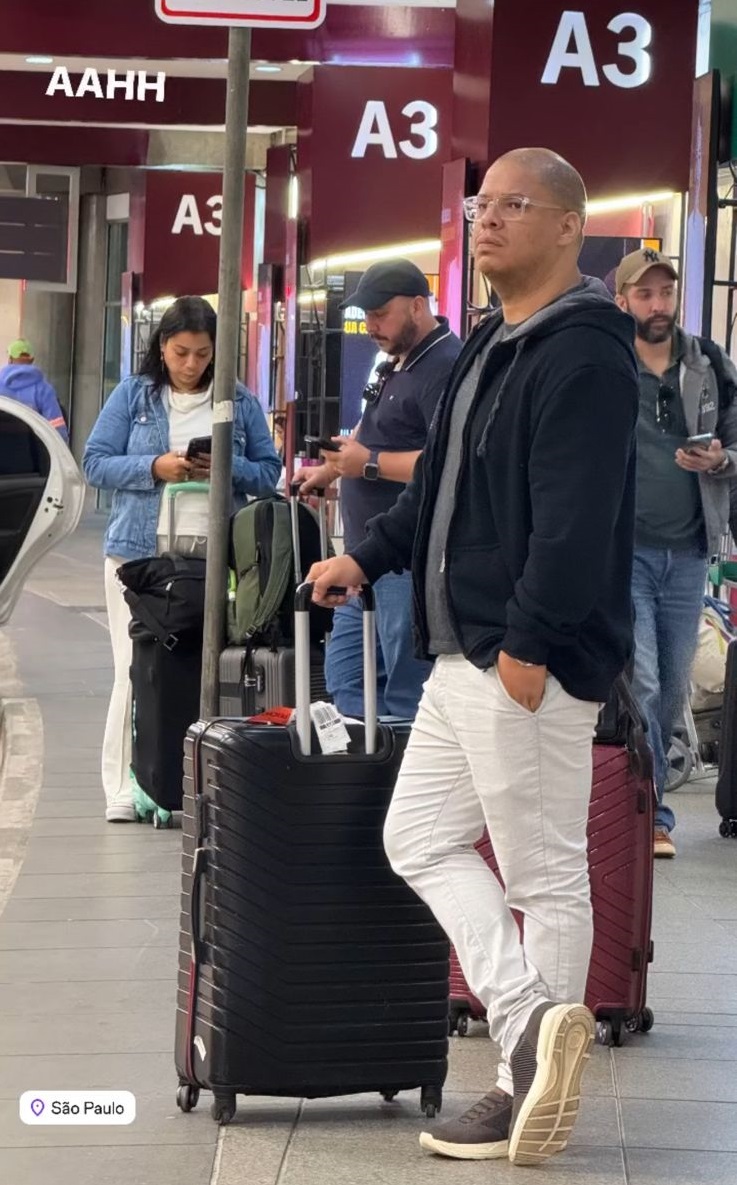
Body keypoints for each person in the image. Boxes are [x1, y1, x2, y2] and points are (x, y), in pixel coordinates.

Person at [307, 148, 639, 1167]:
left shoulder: (584, 355)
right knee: (416, 837)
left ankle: (523, 1085)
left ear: (567, 227)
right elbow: (440, 489)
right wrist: (366, 555)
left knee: (543, 874)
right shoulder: (491, 339)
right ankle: (534, 1020)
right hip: (461, 651)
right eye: (480, 204)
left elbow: (574, 523)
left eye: (512, 205)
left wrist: (529, 645)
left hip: (519, 656)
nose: (485, 219)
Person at [83, 296, 281, 823]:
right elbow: (95, 462)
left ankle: (189, 783)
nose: (191, 364)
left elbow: (268, 472)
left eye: (202, 354)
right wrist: (155, 466)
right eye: (180, 352)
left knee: (201, 669)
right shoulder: (134, 394)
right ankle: (123, 786)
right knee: (132, 670)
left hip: (215, 558)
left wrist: (224, 467)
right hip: (140, 556)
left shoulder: (237, 399)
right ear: (161, 347)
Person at [295, 259, 462, 719]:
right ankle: (366, 762)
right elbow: (378, 435)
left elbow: (449, 464)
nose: (371, 325)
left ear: (417, 306)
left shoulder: (445, 366)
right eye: (366, 315)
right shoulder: (396, 362)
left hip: (405, 562)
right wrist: (331, 470)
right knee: (347, 681)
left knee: (406, 694)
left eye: (381, 314)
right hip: (364, 558)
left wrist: (367, 464)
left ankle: (401, 763)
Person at [614, 249, 737, 859]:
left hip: (689, 553)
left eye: (665, 293)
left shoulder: (708, 364)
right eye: (645, 294)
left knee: (668, 687)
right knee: (642, 682)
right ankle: (651, 815)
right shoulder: (607, 363)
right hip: (625, 550)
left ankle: (645, 802)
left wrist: (721, 460)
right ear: (623, 301)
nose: (658, 305)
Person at [0, 338, 68, 441]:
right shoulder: (44, 389)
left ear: (10, 359)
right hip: (32, 447)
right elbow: (56, 426)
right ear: (32, 360)